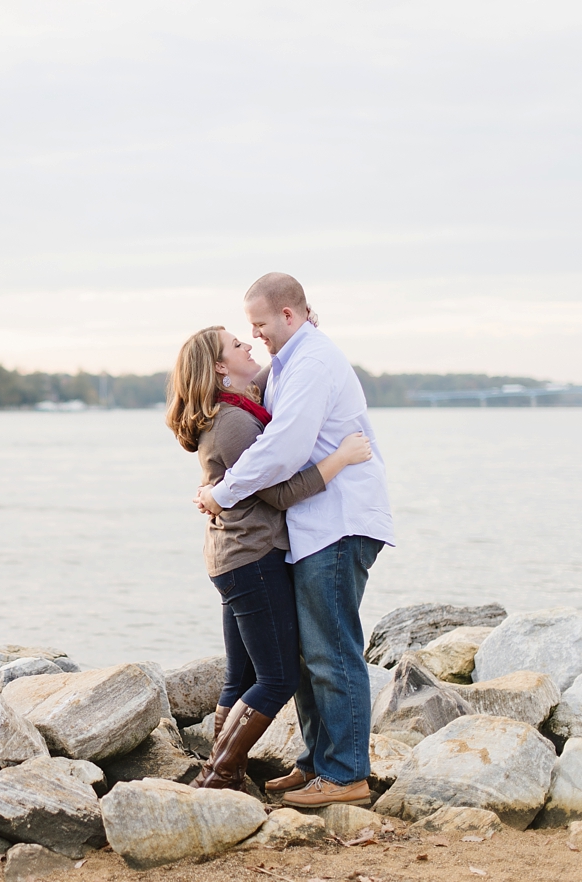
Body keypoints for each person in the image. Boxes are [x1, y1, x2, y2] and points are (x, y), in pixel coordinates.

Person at [196, 273, 394, 808]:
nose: (254, 334)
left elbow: (283, 448)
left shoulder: (311, 361)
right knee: (310, 654)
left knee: (332, 649)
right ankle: (315, 764)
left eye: (258, 324)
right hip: (313, 524)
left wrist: (224, 491)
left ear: (289, 315)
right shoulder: (286, 363)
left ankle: (347, 773)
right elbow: (233, 400)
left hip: (338, 522)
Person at [165, 324, 374, 792]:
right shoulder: (236, 421)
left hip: (233, 556)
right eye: (236, 344)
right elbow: (278, 493)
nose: (248, 343)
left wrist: (301, 328)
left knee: (240, 675)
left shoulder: (240, 407)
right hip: (252, 557)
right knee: (277, 678)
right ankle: (218, 776)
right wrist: (339, 458)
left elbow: (285, 390)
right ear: (220, 367)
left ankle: (231, 775)